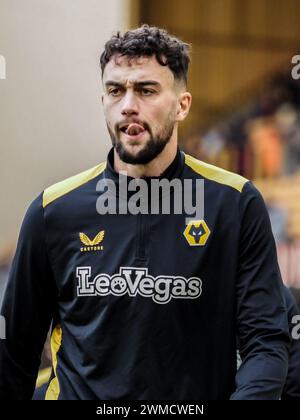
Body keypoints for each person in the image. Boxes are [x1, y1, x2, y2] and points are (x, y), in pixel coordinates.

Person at [0, 25, 290, 400]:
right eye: (115, 90)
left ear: (182, 104)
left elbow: (266, 341)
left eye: (146, 90)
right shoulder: (53, 211)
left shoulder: (234, 204)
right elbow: (14, 353)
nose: (128, 105)